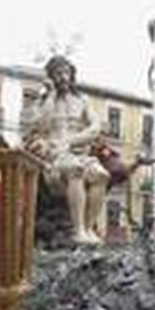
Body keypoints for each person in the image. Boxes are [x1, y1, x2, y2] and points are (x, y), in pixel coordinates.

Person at [24, 55, 109, 246]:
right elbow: (40, 126)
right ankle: (77, 231)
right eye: (57, 73)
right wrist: (51, 95)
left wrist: (70, 141)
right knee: (75, 169)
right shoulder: (42, 103)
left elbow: (95, 128)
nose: (63, 77)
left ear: (72, 75)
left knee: (101, 175)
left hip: (76, 151)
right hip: (53, 156)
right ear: (50, 77)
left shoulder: (82, 101)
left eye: (66, 73)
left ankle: (88, 229)